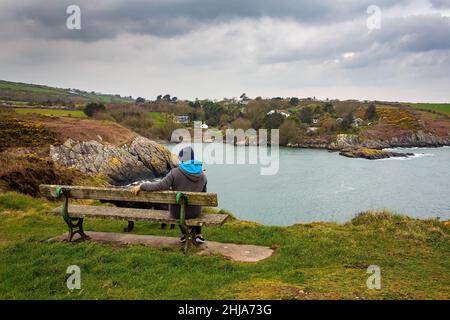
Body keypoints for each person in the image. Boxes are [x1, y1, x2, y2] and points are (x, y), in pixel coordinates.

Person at [131, 146, 207, 243]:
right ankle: (198, 234)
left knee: (179, 207)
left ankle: (185, 234)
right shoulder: (203, 175)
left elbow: (159, 186)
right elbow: (204, 195)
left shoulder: (175, 172)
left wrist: (141, 186)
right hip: (195, 212)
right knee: (195, 207)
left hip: (177, 213)